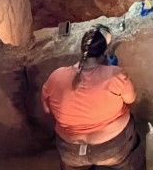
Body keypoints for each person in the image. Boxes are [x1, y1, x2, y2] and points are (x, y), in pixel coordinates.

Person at [42, 25, 145, 170]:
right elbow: (131, 99)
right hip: (112, 147)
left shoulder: (56, 77)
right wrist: (114, 72)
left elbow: (47, 109)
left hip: (70, 151)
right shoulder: (115, 75)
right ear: (103, 54)